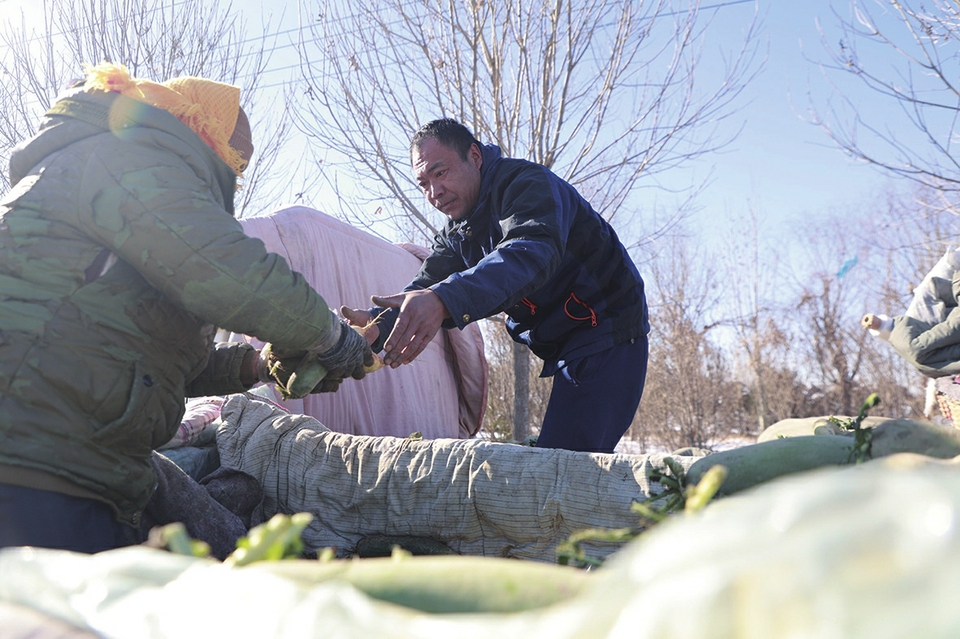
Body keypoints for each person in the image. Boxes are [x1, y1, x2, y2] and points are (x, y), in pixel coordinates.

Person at [0, 63, 372, 553]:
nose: (236, 175)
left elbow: (156, 362)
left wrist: (257, 364)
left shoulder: (146, 190)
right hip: (34, 447)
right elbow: (229, 270)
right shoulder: (132, 158)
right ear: (204, 134)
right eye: (234, 158)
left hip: (75, 452)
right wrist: (332, 336)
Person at [343, 118, 649, 453]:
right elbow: (428, 284)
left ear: (474, 156)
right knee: (560, 465)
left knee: (563, 472)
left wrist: (444, 299)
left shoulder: (526, 185)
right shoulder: (459, 232)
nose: (434, 193)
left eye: (440, 173)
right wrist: (377, 325)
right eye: (423, 184)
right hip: (567, 343)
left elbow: (529, 253)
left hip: (606, 330)